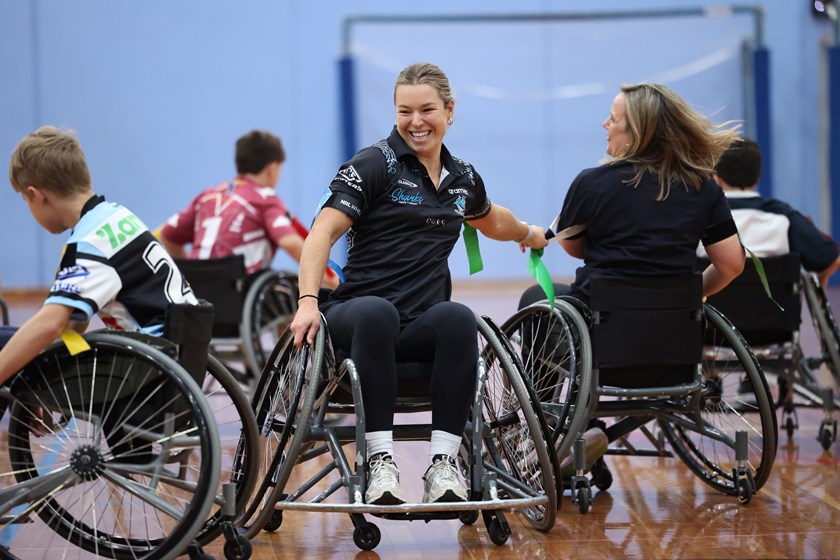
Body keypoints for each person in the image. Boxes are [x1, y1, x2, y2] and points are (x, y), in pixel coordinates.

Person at [289, 62, 548, 505]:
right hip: (358, 319)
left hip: (416, 327)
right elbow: (322, 233)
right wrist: (308, 301)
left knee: (458, 318)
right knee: (378, 312)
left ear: (450, 111)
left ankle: (444, 464)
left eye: (426, 110)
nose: (415, 122)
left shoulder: (462, 178)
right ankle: (379, 463)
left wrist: (529, 233)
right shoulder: (373, 164)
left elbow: (492, 220)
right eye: (404, 111)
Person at [519, 82, 745, 484]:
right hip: (674, 351)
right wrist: (689, 298)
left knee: (537, 298)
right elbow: (731, 264)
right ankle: (586, 436)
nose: (604, 125)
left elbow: (571, 246)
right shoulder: (702, 185)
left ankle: (550, 428)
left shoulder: (593, 183)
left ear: (638, 131)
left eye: (613, 119)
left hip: (603, 349)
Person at [0, 125, 199, 387]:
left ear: (36, 196)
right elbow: (75, 322)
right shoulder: (118, 215)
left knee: (5, 342)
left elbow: (50, 325)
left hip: (143, 371)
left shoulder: (89, 244)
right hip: (180, 356)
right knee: (21, 343)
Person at [157, 129, 338, 288]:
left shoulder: (207, 196)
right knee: (293, 301)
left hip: (198, 294)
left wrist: (191, 273)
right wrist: (328, 280)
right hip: (238, 294)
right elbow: (290, 242)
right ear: (272, 169)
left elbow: (168, 235)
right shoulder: (265, 199)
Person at [701, 137, 840, 287]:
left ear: (715, 178)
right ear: (757, 178)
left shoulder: (701, 216)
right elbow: (832, 260)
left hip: (709, 301)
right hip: (776, 303)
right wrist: (819, 286)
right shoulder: (784, 216)